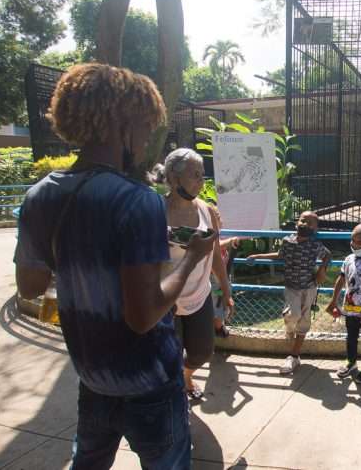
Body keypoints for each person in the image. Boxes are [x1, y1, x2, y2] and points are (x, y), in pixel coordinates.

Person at [14, 63, 216, 469]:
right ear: (121, 124)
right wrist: (193, 256)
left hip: (92, 375)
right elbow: (143, 316)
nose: (145, 141)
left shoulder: (39, 196)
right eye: (144, 128)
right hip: (150, 382)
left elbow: (31, 285)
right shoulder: (135, 199)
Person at [153, 148, 233, 400]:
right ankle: (178, 394)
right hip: (167, 299)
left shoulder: (207, 211)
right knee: (171, 355)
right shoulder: (156, 211)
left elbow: (214, 255)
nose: (201, 180)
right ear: (174, 178)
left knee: (202, 352)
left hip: (200, 294)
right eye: (194, 174)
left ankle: (187, 375)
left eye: (202, 174)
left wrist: (226, 288)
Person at [246, 211, 331, 374]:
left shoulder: (315, 245)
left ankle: (294, 356)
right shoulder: (287, 241)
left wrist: (322, 270)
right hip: (291, 287)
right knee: (293, 315)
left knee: (304, 321)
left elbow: (327, 255)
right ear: (296, 222)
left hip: (309, 287)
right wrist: (258, 255)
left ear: (315, 228)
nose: (305, 224)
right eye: (302, 220)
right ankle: (289, 327)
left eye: (310, 223)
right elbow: (279, 255)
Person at [326, 223, 361, 384]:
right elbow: (341, 280)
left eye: (359, 242)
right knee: (350, 337)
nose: (354, 244)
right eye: (352, 240)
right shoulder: (348, 259)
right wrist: (333, 302)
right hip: (349, 309)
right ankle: (351, 362)